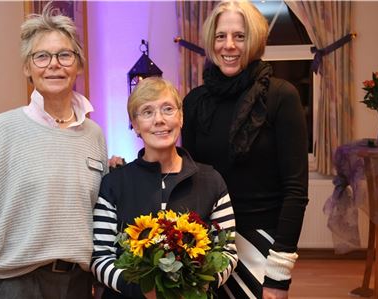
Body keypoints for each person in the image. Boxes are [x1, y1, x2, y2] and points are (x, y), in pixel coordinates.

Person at [0, 4, 108, 299]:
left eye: (64, 55)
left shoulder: (94, 136)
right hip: (15, 285)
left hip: (77, 286)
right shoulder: (0, 131)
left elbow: (100, 218)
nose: (54, 64)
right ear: (27, 68)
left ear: (79, 65)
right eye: (42, 56)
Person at [181, 1, 309, 299]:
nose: (229, 46)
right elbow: (190, 183)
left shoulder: (281, 97)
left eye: (239, 36)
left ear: (255, 40)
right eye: (221, 36)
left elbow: (295, 191)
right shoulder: (194, 101)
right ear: (210, 41)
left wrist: (279, 273)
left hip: (263, 246)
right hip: (208, 247)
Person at [91, 77, 238, 299]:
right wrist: (144, 290)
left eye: (168, 109)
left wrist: (196, 285)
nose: (159, 120)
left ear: (181, 117)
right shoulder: (114, 184)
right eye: (147, 112)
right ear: (135, 124)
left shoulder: (211, 181)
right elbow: (100, 256)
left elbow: (228, 252)